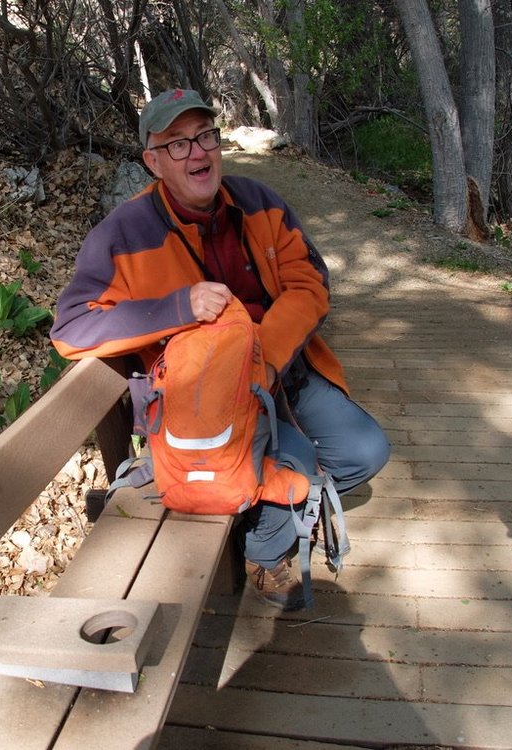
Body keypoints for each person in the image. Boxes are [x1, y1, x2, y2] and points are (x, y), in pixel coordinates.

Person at [50, 88, 390, 610]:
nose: (198, 154)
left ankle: (273, 502)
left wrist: (268, 358)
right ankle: (264, 545)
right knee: (293, 471)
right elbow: (70, 328)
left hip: (280, 372)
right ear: (153, 161)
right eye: (179, 144)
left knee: (366, 452)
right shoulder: (122, 233)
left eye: (205, 136)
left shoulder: (258, 202)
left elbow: (310, 282)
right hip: (204, 403)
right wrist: (175, 309)